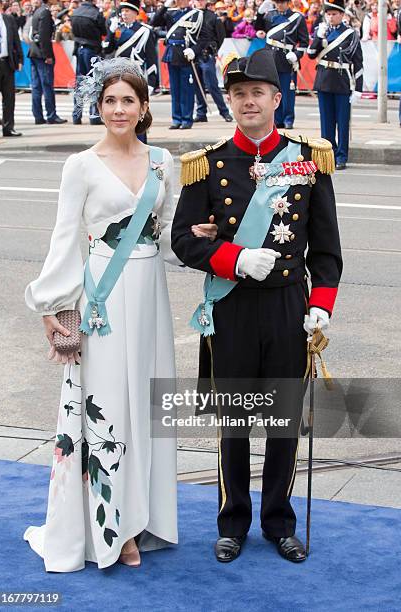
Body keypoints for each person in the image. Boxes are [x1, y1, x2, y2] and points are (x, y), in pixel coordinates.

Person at [23, 57, 218, 572]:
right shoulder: (80, 165)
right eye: (109, 100)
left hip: (150, 292)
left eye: (127, 100)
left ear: (144, 106)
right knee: (109, 406)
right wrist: (53, 307)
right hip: (102, 302)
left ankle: (146, 517)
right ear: (98, 105)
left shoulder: (163, 163)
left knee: (147, 406)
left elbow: (170, 238)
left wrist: (201, 241)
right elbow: (65, 241)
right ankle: (115, 530)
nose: (117, 109)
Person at [171, 49, 342, 564]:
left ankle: (278, 521)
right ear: (231, 100)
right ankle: (233, 521)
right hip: (233, 307)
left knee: (284, 421)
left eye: (257, 93)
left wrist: (321, 304)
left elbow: (327, 247)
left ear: (276, 97)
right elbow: (183, 240)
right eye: (239, 94)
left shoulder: (308, 160)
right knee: (236, 422)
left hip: (289, 307)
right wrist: (236, 258)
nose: (248, 102)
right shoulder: (209, 163)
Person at [307, 0, 363, 170]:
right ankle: (328, 155)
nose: (331, 17)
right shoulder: (321, 31)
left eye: (334, 14)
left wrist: (358, 89)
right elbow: (310, 55)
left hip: (341, 82)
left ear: (341, 15)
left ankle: (341, 156)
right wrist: (318, 37)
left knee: (342, 122)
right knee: (326, 122)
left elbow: (358, 63)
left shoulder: (350, 34)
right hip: (324, 81)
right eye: (328, 14)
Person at [255, 0, 309, 129]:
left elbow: (304, 42)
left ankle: (288, 119)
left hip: (286, 58)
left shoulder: (297, 18)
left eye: (282, 2)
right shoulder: (269, 15)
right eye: (277, 2)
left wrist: (296, 54)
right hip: (271, 57)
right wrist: (259, 14)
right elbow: (259, 28)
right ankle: (277, 119)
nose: (280, 4)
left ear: (288, 2)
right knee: (272, 91)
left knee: (287, 92)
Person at [151, 0, 204, 129]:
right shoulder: (170, 13)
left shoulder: (196, 15)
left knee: (186, 89)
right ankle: (176, 119)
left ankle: (186, 119)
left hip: (186, 53)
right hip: (172, 53)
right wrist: (165, 6)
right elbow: (155, 22)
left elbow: (204, 38)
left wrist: (194, 50)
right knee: (175, 89)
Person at [192, 0, 233, 124]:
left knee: (212, 85)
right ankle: (201, 112)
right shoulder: (191, 16)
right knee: (197, 86)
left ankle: (224, 112)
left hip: (206, 54)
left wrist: (212, 50)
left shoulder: (213, 17)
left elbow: (220, 36)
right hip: (193, 55)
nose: (199, 2)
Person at [105, 0, 158, 93]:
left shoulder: (144, 31)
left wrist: (151, 82)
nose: (123, 14)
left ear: (135, 13)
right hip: (118, 73)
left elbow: (151, 57)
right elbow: (107, 50)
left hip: (135, 73)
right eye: (122, 11)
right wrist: (111, 32)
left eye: (127, 11)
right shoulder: (117, 28)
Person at [28, 0, 67, 124]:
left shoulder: (38, 11)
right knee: (47, 86)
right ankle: (51, 115)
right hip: (42, 53)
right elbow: (44, 36)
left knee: (36, 87)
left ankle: (38, 116)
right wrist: (48, 55)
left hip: (34, 52)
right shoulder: (44, 12)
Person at [71, 0, 107, 125]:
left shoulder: (75, 12)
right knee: (95, 83)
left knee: (80, 84)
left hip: (79, 48)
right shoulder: (96, 13)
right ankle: (94, 115)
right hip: (92, 49)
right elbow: (104, 31)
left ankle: (76, 115)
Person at [0, 0, 23, 137]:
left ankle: (8, 127)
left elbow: (16, 40)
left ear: (0, 6)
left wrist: (20, 59)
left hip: (7, 63)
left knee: (9, 98)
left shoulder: (8, 19)